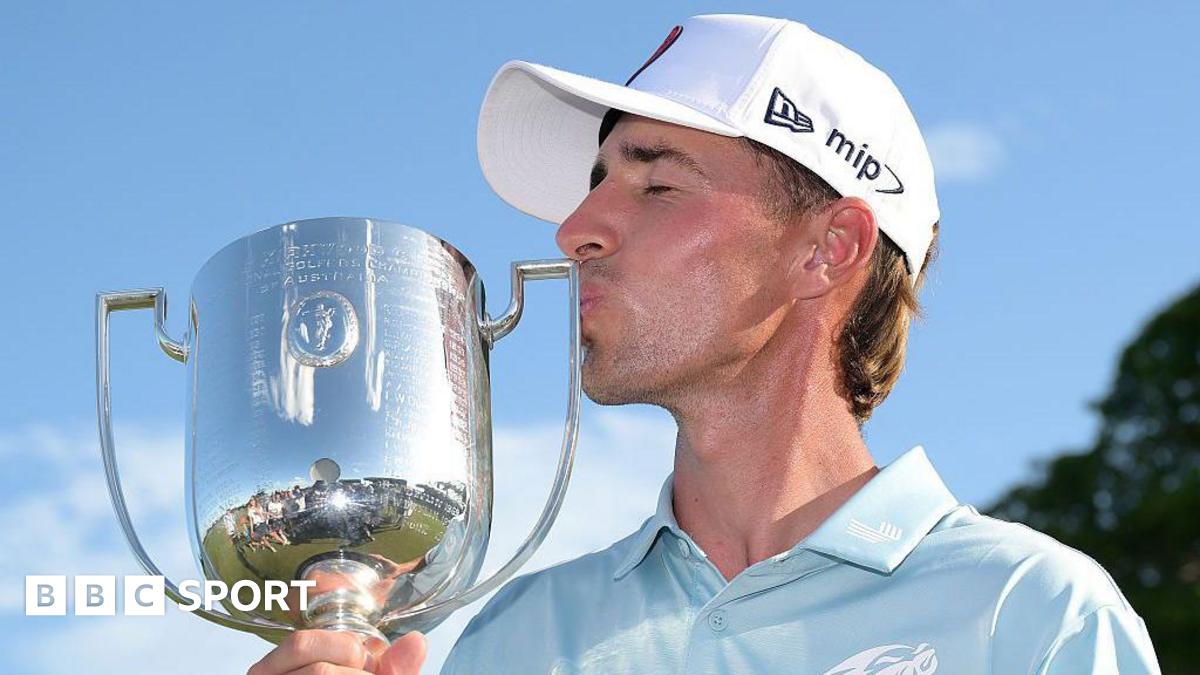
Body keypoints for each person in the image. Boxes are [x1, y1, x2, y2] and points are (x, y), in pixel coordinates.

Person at [248, 13, 1162, 674]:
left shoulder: (1031, 614)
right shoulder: (518, 637)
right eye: (596, 181)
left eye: (657, 186)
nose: (575, 229)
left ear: (826, 248)